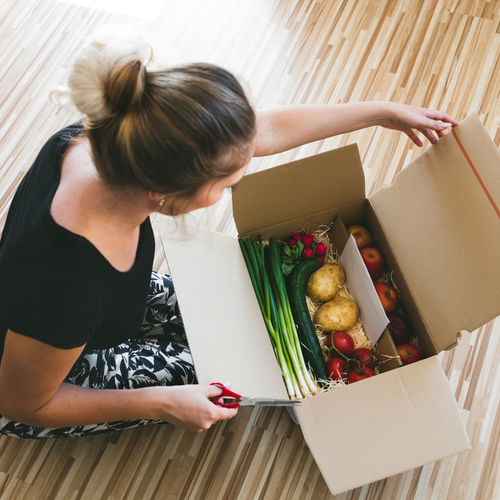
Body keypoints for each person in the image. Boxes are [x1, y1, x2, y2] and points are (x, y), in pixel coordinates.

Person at [0, 37, 457, 439]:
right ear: (164, 191)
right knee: (229, 377)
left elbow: (265, 130)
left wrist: (380, 112)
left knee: (246, 324)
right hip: (45, 381)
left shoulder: (113, 137)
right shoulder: (66, 285)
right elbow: (23, 403)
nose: (233, 186)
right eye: (226, 184)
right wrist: (162, 402)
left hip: (82, 317)